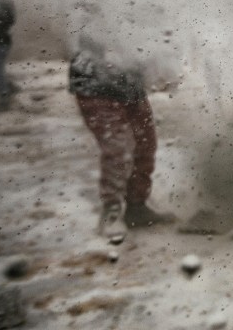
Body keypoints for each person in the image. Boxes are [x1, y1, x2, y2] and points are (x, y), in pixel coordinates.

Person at [69, 34, 175, 240]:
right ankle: (111, 210)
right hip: (95, 85)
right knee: (117, 147)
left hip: (129, 83)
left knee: (145, 144)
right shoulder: (97, 8)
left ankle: (137, 207)